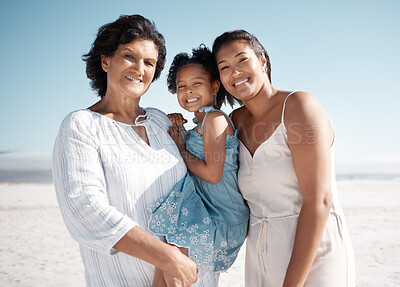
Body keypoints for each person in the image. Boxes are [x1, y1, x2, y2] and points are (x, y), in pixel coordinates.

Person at [53, 15, 201, 287]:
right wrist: (167, 258)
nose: (139, 68)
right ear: (105, 60)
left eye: (149, 62)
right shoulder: (81, 126)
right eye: (129, 56)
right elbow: (85, 211)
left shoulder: (161, 120)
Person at [212, 30, 356, 287]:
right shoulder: (234, 122)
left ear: (263, 60)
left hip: (315, 252)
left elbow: (320, 201)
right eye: (224, 67)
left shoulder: (299, 106)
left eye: (242, 60)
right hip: (261, 255)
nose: (235, 72)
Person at [148, 45, 249, 286]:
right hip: (208, 211)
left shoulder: (214, 119)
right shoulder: (202, 123)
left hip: (222, 217)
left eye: (197, 84)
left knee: (172, 262)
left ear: (214, 86)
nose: (188, 91)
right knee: (166, 262)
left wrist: (182, 149)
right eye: (181, 86)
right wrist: (179, 128)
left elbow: (213, 175)